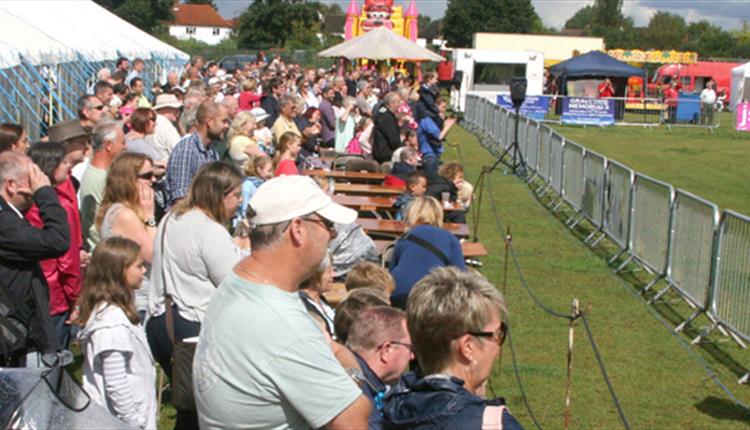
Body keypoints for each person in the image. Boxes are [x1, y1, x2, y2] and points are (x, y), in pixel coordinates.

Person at [193, 175, 370, 429]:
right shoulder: (283, 324)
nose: (332, 234)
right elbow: (353, 421)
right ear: (298, 229)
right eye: (327, 223)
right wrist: (354, 373)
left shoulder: (237, 282)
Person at [147, 162, 244, 430]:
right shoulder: (209, 230)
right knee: (203, 415)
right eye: (236, 195)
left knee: (189, 412)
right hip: (192, 328)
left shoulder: (171, 218)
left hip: (160, 322)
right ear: (219, 194)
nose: (240, 202)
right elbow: (233, 283)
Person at [382, 267, 522, 430]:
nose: (498, 347)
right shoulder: (494, 424)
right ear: (468, 347)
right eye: (498, 334)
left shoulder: (386, 410)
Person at [77, 237, 156, 430]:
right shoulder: (111, 324)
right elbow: (116, 382)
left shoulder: (115, 313)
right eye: (138, 266)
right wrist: (132, 422)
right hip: (119, 421)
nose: (144, 271)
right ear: (119, 272)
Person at [0, 152, 69, 366]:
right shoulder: (4, 223)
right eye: (33, 178)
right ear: (12, 185)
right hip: (10, 337)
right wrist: (45, 194)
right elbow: (57, 240)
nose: (40, 182)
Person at [26, 142, 81, 349]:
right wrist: (75, 296)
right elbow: (68, 260)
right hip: (56, 292)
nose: (69, 167)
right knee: (54, 359)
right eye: (63, 162)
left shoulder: (25, 202)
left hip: (32, 288)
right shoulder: (60, 205)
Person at [96, 152, 157, 321]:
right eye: (147, 176)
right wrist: (150, 217)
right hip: (136, 299)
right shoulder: (124, 215)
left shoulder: (123, 211)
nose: (153, 180)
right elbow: (153, 254)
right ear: (128, 180)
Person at [389, 196, 465, 309]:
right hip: (430, 295)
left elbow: (392, 270)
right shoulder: (449, 238)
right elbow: (461, 276)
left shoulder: (404, 239)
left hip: (399, 292)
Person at [346, 306, 413, 430]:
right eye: (410, 347)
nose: (412, 356)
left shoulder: (364, 382)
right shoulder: (355, 392)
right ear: (386, 350)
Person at [166, 100, 229, 205]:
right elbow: (180, 198)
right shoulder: (186, 150)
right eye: (224, 121)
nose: (226, 126)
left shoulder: (211, 151)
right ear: (209, 122)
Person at [79, 121, 127, 250]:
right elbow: (95, 224)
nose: (125, 147)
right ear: (108, 145)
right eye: (122, 142)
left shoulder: (101, 174)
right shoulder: (99, 178)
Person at [299, 253, 336, 339]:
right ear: (315, 276)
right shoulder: (303, 305)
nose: (333, 275)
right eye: (329, 271)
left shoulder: (321, 300)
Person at [418, 97, 456, 176]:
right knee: (431, 178)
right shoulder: (427, 119)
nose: (444, 110)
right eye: (443, 107)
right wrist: (447, 126)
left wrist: (445, 125)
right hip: (429, 154)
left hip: (435, 153)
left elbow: (442, 137)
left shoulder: (435, 119)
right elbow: (438, 136)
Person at [236, 154, 273, 226]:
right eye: (269, 170)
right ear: (259, 170)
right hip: (249, 224)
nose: (271, 174)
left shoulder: (264, 184)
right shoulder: (248, 185)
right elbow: (245, 210)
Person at [148, 93, 183, 161]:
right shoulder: (166, 127)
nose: (178, 111)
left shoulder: (152, 122)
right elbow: (179, 150)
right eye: (175, 108)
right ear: (165, 108)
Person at [373, 92, 402, 163]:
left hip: (380, 152)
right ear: (391, 103)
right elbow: (393, 139)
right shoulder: (388, 118)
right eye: (398, 102)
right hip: (387, 154)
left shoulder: (381, 114)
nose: (400, 104)